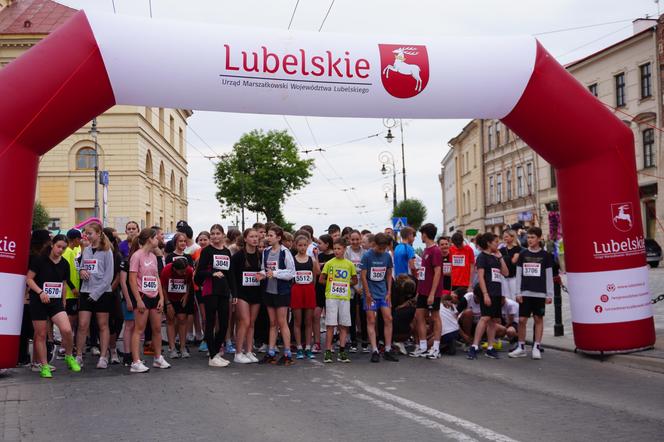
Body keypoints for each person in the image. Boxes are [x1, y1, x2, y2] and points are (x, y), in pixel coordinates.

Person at [26, 235, 81, 378]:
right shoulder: (39, 260)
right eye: (58, 246)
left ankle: (69, 356)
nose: (61, 250)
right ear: (52, 244)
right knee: (41, 334)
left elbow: (63, 284)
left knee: (67, 329)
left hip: (55, 301)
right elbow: (29, 279)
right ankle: (44, 366)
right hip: (38, 300)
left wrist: (63, 302)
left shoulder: (64, 264)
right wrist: (40, 292)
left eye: (63, 248)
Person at [128, 228, 171, 373]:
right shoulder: (136, 256)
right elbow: (132, 279)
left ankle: (158, 358)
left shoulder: (153, 256)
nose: (158, 239)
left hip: (155, 296)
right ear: (149, 239)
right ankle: (136, 362)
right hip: (142, 296)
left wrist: (162, 297)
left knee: (157, 329)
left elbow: (156, 277)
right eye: (156, 237)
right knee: (139, 329)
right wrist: (138, 299)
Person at [194, 224, 236, 367]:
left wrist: (234, 292)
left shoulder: (226, 252)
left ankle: (216, 351)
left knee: (224, 324)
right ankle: (212, 355)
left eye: (218, 233)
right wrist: (212, 273)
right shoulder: (206, 251)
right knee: (210, 323)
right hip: (210, 291)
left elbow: (230, 274)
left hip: (224, 292)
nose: (215, 236)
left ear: (223, 235)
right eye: (212, 233)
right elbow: (198, 274)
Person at [509, 227, 553, 360]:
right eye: (528, 237)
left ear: (539, 238)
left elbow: (549, 275)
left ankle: (536, 347)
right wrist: (518, 292)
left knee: (538, 319)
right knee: (522, 320)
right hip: (525, 292)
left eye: (532, 237)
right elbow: (518, 274)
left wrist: (549, 294)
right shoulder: (523, 254)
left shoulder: (546, 256)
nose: (530, 240)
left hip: (540, 293)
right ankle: (521, 347)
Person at [76, 222, 114, 369]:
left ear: (98, 234)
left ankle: (103, 357)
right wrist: (81, 271)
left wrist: (96, 293)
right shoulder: (85, 250)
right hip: (86, 292)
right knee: (82, 325)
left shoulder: (107, 251)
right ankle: (78, 355)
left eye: (90, 233)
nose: (87, 236)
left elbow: (108, 276)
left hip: (102, 293)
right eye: (86, 233)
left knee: (102, 325)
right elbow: (82, 266)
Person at [467, 233, 509, 360]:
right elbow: (480, 277)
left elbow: (506, 273)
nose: (498, 244)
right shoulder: (482, 257)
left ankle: (490, 347)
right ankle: (474, 346)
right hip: (487, 291)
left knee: (493, 321)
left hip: (497, 291)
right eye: (496, 242)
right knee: (485, 318)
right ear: (489, 243)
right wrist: (485, 294)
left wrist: (500, 257)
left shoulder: (495, 257)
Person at [258, 225, 296, 366]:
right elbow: (264, 269)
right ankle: (271, 352)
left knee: (282, 322)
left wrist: (274, 273)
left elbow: (291, 273)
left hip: (282, 291)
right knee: (272, 323)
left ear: (279, 238)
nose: (268, 237)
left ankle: (287, 353)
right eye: (267, 235)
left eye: (271, 235)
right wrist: (261, 275)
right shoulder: (266, 252)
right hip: (269, 290)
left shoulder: (285, 252)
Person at [360, 232, 398, 363]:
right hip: (370, 293)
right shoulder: (367, 256)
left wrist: (389, 292)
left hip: (383, 293)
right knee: (371, 320)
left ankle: (387, 349)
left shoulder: (387, 256)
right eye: (380, 248)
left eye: (384, 248)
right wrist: (367, 293)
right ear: (375, 244)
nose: (382, 251)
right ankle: (374, 350)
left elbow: (388, 275)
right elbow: (363, 276)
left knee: (389, 318)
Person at [319, 238, 358, 363]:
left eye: (339, 249)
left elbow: (355, 280)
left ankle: (342, 350)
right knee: (330, 324)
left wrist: (346, 283)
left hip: (344, 298)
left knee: (343, 325)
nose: (336, 251)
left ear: (344, 249)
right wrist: (331, 282)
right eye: (335, 248)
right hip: (331, 297)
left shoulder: (349, 264)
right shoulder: (329, 263)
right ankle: (328, 351)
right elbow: (321, 279)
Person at [409, 223, 444, 360]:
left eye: (421, 233)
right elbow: (423, 273)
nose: (421, 236)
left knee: (435, 317)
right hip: (423, 290)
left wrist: (432, 293)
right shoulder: (425, 251)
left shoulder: (435, 251)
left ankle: (436, 347)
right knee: (419, 316)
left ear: (425, 234)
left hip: (432, 292)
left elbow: (437, 273)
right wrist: (419, 291)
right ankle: (423, 346)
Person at [231, 228, 262, 364]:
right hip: (241, 293)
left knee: (252, 323)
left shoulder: (261, 255)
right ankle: (238, 353)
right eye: (251, 236)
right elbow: (232, 276)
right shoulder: (238, 256)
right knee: (244, 321)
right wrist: (234, 294)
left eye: (256, 236)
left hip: (256, 292)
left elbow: (265, 272)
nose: (255, 239)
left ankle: (249, 351)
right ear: (245, 239)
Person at [291, 235, 320, 359]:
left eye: (304, 245)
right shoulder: (292, 260)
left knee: (308, 321)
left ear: (308, 245)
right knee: (298, 321)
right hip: (297, 290)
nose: (302, 248)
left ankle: (308, 347)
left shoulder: (311, 260)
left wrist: (316, 256)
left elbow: (316, 274)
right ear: (296, 246)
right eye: (300, 245)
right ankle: (298, 347)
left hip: (308, 290)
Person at [161, 259, 194, 359]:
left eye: (185, 270)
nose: (184, 273)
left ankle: (183, 348)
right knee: (170, 321)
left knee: (182, 320)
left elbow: (189, 283)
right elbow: (163, 287)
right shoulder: (166, 270)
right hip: (170, 297)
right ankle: (172, 348)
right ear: (175, 269)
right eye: (181, 271)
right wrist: (167, 303)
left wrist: (186, 295)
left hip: (181, 297)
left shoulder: (188, 270)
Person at [345, 230, 365, 352]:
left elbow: (365, 271)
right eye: (353, 239)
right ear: (349, 240)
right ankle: (353, 341)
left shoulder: (365, 252)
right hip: (351, 287)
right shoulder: (347, 252)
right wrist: (355, 287)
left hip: (363, 288)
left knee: (363, 316)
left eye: (357, 239)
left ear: (361, 239)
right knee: (351, 315)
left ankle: (364, 342)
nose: (355, 242)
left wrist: (361, 288)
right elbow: (346, 271)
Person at [313, 234, 334, 353]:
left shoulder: (334, 256)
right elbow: (317, 272)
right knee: (315, 315)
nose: (318, 245)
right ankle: (316, 342)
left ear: (327, 244)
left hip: (331, 289)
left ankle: (329, 343)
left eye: (320, 243)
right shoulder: (319, 256)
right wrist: (316, 258)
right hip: (319, 288)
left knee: (331, 318)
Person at [62, 229, 82, 344]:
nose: (80, 241)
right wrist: (73, 287)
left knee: (73, 321)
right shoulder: (67, 252)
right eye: (79, 239)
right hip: (70, 293)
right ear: (75, 239)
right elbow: (65, 273)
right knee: (70, 321)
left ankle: (69, 344)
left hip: (74, 292)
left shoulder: (73, 252)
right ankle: (64, 346)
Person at [499, 230, 522, 300]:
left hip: (513, 276)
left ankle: (515, 311)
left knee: (514, 297)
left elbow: (513, 261)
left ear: (512, 237)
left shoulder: (517, 248)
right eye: (504, 237)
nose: (505, 238)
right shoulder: (501, 250)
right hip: (503, 277)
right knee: (506, 298)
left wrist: (503, 259)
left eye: (506, 236)